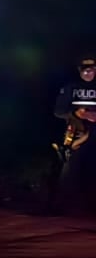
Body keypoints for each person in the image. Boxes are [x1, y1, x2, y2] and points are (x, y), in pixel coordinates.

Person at [51, 55, 96, 216]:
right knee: (70, 169)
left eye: (92, 69)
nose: (89, 72)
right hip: (77, 135)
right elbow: (58, 111)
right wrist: (77, 113)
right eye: (85, 70)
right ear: (79, 70)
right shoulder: (71, 88)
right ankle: (63, 206)